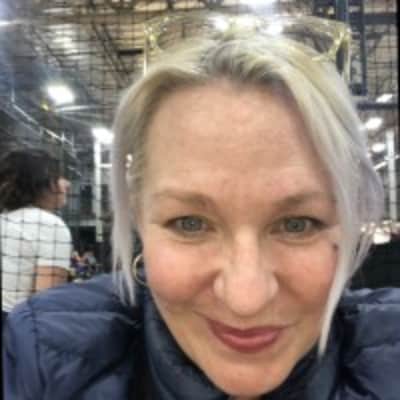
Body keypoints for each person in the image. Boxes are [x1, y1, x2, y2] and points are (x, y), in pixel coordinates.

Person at [3, 13, 399, 400]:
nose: (245, 299)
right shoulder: (42, 357)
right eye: (190, 223)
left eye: (298, 224)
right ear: (139, 216)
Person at [0, 148, 72, 322]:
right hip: (16, 325)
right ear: (43, 184)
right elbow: (46, 305)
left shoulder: (4, 219)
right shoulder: (49, 225)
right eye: (59, 177)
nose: (67, 184)